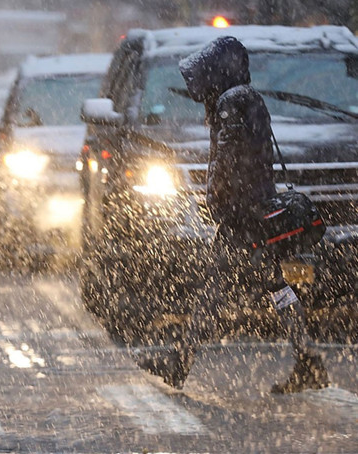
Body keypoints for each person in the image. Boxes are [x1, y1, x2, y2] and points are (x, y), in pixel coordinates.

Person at [136, 36, 330, 394]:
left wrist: (222, 205)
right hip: (256, 211)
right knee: (277, 288)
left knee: (213, 292)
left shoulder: (231, 102)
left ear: (217, 70)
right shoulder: (246, 97)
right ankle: (308, 360)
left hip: (242, 218)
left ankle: (182, 363)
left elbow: (228, 164)